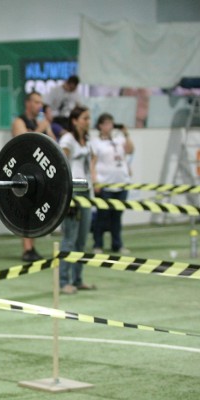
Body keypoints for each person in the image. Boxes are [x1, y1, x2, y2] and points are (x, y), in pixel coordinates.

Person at [12, 91, 56, 262]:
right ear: (28, 103)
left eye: (41, 103)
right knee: (26, 209)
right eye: (36, 102)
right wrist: (42, 127)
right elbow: (24, 143)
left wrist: (48, 127)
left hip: (37, 173)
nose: (39, 106)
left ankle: (32, 247)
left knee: (35, 210)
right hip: (22, 172)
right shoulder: (19, 121)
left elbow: (52, 143)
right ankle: (27, 249)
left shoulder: (39, 122)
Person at [58, 106, 96, 295]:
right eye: (85, 118)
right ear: (74, 120)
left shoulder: (87, 141)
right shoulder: (67, 140)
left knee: (82, 239)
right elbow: (60, 164)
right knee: (69, 239)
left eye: (89, 118)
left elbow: (90, 164)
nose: (88, 121)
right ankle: (64, 281)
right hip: (72, 192)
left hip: (86, 191)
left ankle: (78, 279)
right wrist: (65, 194)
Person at [90, 113, 134, 254]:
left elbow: (130, 150)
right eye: (106, 124)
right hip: (104, 183)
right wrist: (95, 181)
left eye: (111, 123)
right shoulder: (96, 142)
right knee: (102, 215)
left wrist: (126, 134)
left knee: (117, 216)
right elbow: (93, 163)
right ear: (100, 126)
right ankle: (98, 244)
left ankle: (117, 244)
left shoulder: (119, 139)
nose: (109, 127)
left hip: (121, 183)